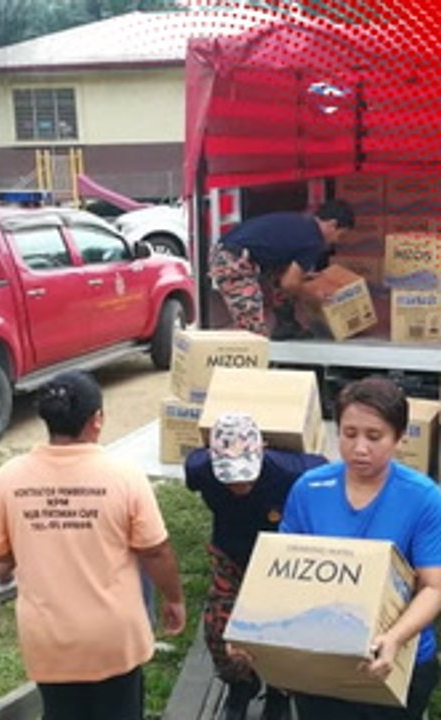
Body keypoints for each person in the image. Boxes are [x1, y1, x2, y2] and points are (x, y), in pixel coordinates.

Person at [0, 369, 185, 720]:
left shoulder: (9, 477)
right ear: (96, 420)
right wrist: (174, 598)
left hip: (49, 640)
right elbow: (156, 550)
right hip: (113, 640)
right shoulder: (124, 476)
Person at [274, 377, 441, 719]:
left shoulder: (423, 498)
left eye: (374, 436)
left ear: (399, 436)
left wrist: (394, 638)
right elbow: (281, 572)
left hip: (395, 660)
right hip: (323, 655)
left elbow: (434, 587)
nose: (360, 448)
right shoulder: (309, 489)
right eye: (349, 434)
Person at [185, 413, 328, 720]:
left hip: (278, 558)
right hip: (230, 553)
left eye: (245, 475)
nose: (239, 483)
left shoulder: (292, 471)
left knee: (281, 627)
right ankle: (241, 684)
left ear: (262, 449)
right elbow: (193, 463)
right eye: (230, 476)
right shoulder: (199, 469)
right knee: (217, 628)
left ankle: (278, 692)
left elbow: (326, 468)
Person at [208, 198, 355, 340]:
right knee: (252, 330)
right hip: (233, 259)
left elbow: (287, 275)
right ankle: (250, 359)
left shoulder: (302, 223)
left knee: (290, 276)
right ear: (332, 224)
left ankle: (286, 324)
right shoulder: (314, 239)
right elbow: (289, 283)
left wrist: (303, 279)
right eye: (340, 235)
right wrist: (313, 294)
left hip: (228, 252)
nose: (336, 241)